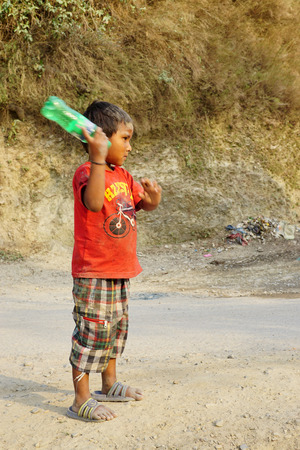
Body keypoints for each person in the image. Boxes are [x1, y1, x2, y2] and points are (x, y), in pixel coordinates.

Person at [67, 101, 162, 422]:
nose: (130, 146)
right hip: (94, 270)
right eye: (125, 138)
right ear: (101, 139)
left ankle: (108, 385)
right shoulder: (86, 172)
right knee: (92, 331)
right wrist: (95, 158)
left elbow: (141, 205)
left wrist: (153, 198)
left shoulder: (123, 174)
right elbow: (94, 203)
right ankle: (81, 398)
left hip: (120, 270)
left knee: (114, 330)